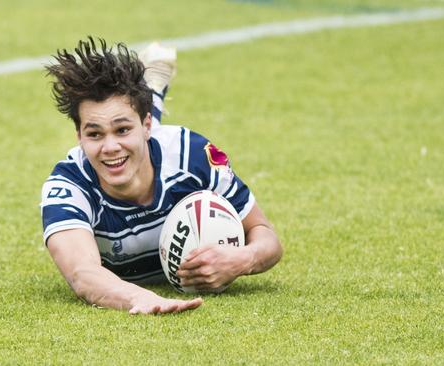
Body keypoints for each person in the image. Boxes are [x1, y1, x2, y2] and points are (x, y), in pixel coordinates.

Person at [41, 37, 282, 315]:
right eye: (93, 134)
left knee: (133, 140)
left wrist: (243, 259)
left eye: (122, 130)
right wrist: (138, 298)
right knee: (126, 145)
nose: (108, 147)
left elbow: (266, 237)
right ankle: (152, 84)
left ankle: (151, 89)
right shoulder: (68, 186)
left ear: (144, 126)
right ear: (79, 137)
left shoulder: (191, 156)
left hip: (155, 141)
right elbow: (83, 274)